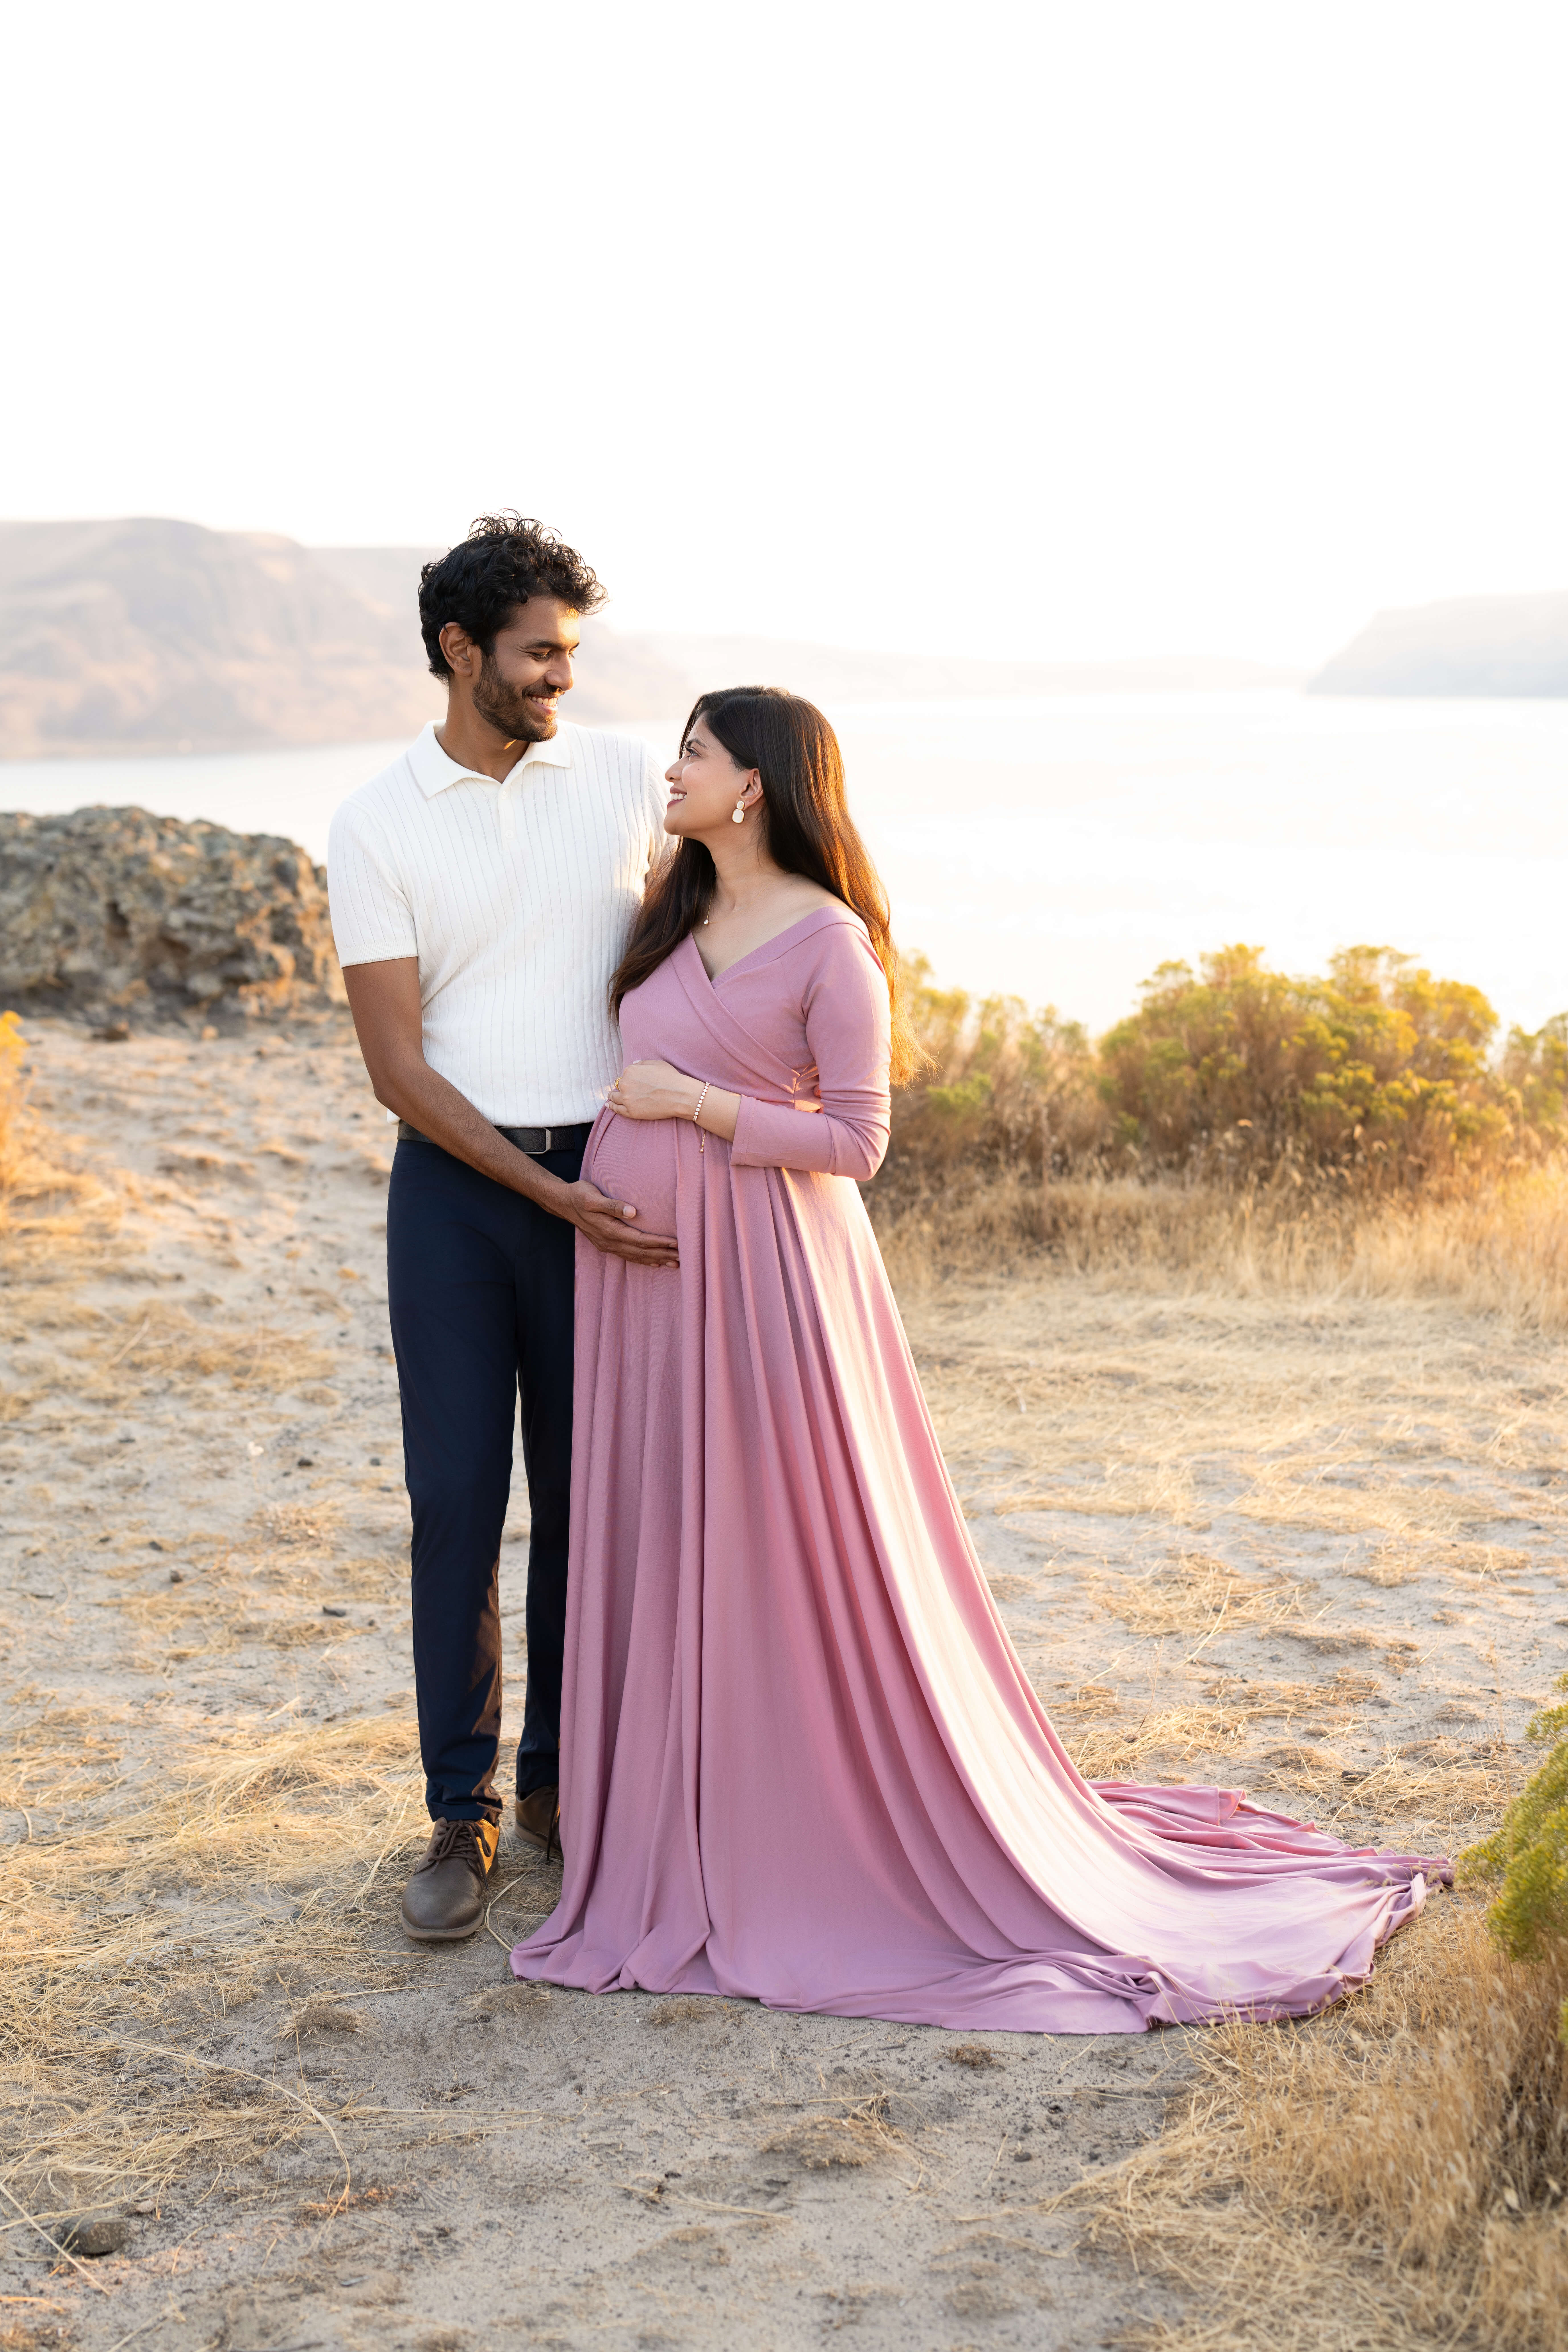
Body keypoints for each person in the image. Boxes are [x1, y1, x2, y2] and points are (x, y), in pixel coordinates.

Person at [512, 687, 1449, 2031]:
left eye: (694, 753)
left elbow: (854, 1142)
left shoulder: (829, 943)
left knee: (772, 1546)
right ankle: (669, 1814)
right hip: (641, 1286)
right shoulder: (666, 906)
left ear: (757, 785)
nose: (668, 771)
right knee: (662, 1531)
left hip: (767, 1280)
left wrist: (694, 1107)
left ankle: (787, 1826)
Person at [327, 514, 676, 1943]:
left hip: (614, 1182)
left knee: (590, 1502)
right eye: (538, 654)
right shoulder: (377, 820)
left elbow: (705, 937)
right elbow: (399, 1072)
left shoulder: (612, 779)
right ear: (462, 652)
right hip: (465, 1202)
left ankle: (558, 1787)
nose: (561, 680)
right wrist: (548, 1193)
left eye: (572, 654)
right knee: (459, 1504)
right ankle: (461, 1809)